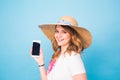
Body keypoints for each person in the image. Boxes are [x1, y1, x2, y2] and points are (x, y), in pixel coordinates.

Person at [31, 16, 92, 80]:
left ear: (72, 35)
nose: (59, 35)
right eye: (57, 31)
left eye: (64, 32)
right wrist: (40, 62)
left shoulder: (73, 56)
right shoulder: (57, 55)